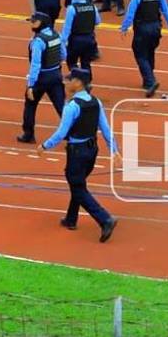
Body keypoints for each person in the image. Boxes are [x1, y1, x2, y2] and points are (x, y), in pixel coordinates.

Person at [42, 68, 119, 242]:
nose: (66, 82)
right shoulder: (96, 102)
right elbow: (106, 129)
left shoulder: (72, 106)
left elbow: (61, 133)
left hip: (77, 152)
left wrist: (45, 145)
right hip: (92, 150)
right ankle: (71, 219)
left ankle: (105, 219)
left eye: (70, 80)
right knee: (78, 183)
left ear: (78, 83)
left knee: (78, 187)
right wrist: (114, 151)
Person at [120, 0, 168, 97]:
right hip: (156, 28)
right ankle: (147, 79)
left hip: (142, 28)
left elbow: (130, 14)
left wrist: (124, 28)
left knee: (140, 53)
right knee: (150, 51)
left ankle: (151, 81)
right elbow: (166, 11)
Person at [17, 11, 66, 143]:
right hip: (56, 75)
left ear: (42, 23)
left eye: (34, 22)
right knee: (61, 106)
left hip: (42, 77)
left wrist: (31, 85)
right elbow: (63, 55)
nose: (31, 24)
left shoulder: (38, 41)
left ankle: (28, 134)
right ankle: (72, 133)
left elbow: (35, 64)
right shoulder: (57, 35)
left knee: (30, 105)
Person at [63, 0, 101, 71]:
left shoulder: (72, 8)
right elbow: (98, 21)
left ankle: (76, 76)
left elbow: (67, 28)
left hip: (75, 39)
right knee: (86, 63)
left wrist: (63, 42)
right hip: (89, 38)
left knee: (72, 62)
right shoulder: (93, 7)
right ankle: (86, 78)